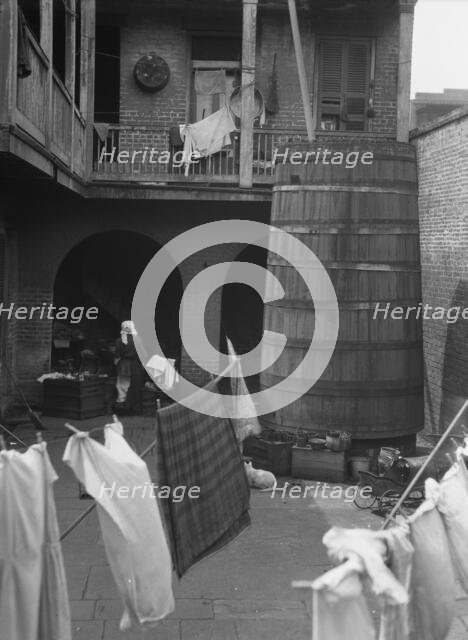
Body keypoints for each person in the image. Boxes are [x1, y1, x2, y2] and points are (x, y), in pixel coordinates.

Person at [114, 321, 146, 414]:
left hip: (123, 366)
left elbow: (117, 355)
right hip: (136, 366)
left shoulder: (118, 341)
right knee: (135, 387)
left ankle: (121, 409)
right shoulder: (138, 340)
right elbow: (143, 354)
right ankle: (133, 408)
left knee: (122, 387)